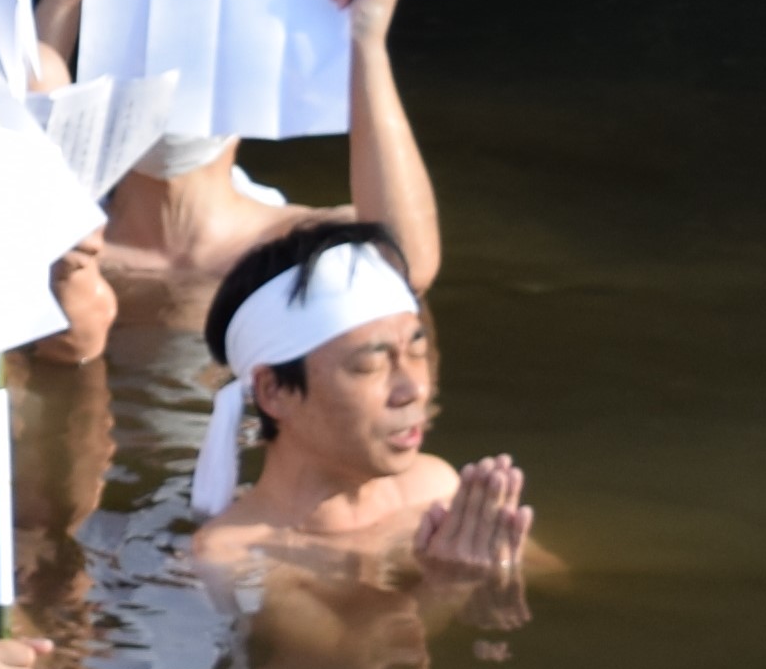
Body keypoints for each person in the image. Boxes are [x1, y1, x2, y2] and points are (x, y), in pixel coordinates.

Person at [77, 0, 443, 306]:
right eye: (142, 61)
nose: (168, 89)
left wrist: (367, 43)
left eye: (198, 64)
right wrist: (58, 7)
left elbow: (403, 268)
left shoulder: (294, 249)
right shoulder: (66, 248)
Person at [189, 223, 530, 577]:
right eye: (369, 365)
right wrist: (452, 585)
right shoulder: (234, 557)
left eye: (417, 351)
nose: (414, 389)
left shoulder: (435, 491)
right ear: (274, 391)